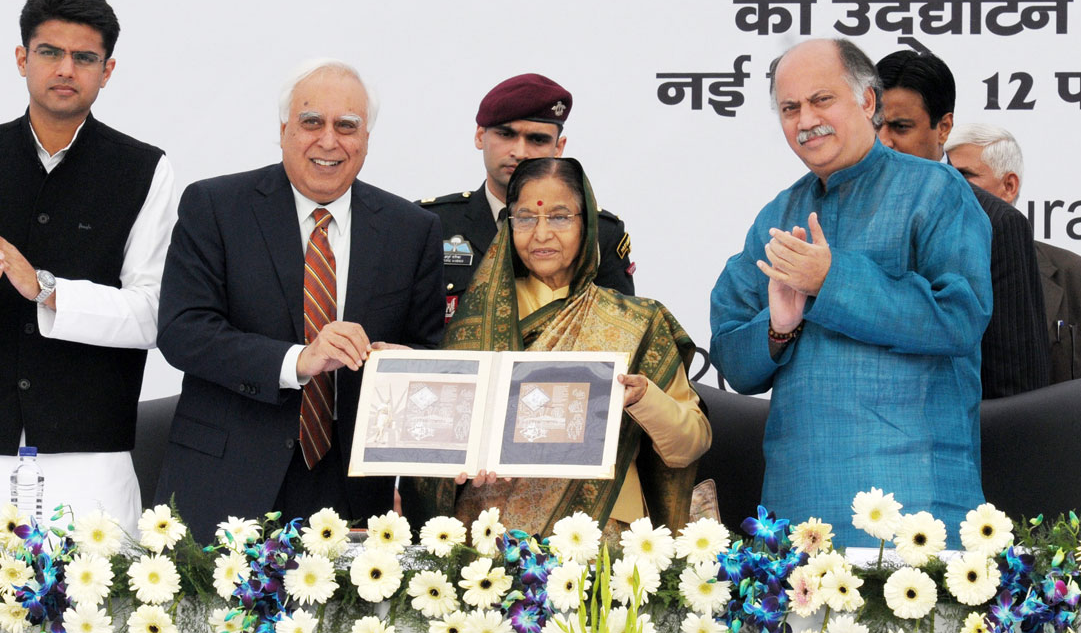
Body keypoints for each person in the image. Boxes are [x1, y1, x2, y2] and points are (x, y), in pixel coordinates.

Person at [0, 0, 173, 533]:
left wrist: (46, 289)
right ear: (22, 59)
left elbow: (152, 314)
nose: (65, 69)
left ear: (107, 70)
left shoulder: (143, 169)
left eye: (84, 57)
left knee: (100, 617)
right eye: (49, 52)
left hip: (89, 457)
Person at [710, 39, 992, 548]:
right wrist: (777, 327)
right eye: (790, 108)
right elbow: (734, 358)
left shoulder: (937, 191)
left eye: (822, 100)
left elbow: (959, 318)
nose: (805, 120)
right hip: (798, 511)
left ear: (867, 102)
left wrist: (832, 280)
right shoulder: (778, 215)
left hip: (917, 505)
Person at [155, 58, 445, 539]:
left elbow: (429, 353)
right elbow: (183, 331)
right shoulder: (216, 206)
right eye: (312, 122)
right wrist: (298, 360)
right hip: (225, 481)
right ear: (285, 129)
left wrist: (405, 365)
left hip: (353, 490)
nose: (329, 141)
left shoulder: (411, 229)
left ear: (366, 138)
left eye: (346, 126)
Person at [406, 157, 709, 537]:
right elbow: (437, 447)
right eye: (526, 218)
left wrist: (643, 398)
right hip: (490, 537)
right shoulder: (477, 321)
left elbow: (691, 443)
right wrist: (458, 466)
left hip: (604, 532)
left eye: (560, 217)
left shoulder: (637, 321)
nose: (541, 234)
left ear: (588, 225)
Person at [876, 49, 1048, 399]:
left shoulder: (996, 222)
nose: (884, 141)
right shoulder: (835, 210)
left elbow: (1016, 385)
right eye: (874, 125)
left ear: (944, 127)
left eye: (900, 127)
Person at [418, 73, 634, 323]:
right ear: (480, 136)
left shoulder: (598, 232)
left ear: (558, 148)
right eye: (506, 134)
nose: (520, 152)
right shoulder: (430, 225)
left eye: (537, 139)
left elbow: (620, 338)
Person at [947, 123, 1081, 383]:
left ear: (1009, 186)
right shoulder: (913, 269)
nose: (947, 187)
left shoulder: (1076, 277)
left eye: (962, 176)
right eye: (943, 176)